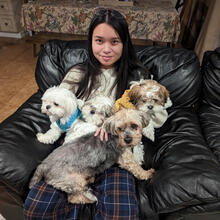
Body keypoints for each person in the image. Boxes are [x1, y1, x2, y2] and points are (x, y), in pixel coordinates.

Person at [24, 7, 150, 220]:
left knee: (121, 213)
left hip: (116, 152)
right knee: (37, 207)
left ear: (125, 43)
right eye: (99, 41)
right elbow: (56, 109)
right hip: (75, 152)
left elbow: (141, 118)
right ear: (90, 41)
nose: (106, 49)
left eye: (115, 41)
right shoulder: (77, 73)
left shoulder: (137, 77)